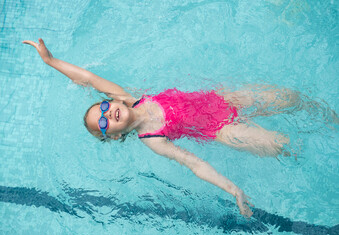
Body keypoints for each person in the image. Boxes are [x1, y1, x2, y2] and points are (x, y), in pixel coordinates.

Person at [23, 38, 335, 218]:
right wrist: (234, 190)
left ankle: (331, 120)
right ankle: (311, 155)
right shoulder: (152, 139)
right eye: (102, 124)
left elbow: (87, 79)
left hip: (225, 99)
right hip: (221, 131)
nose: (107, 113)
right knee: (279, 145)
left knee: (290, 98)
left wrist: (51, 61)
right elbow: (195, 164)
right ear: (114, 136)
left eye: (103, 108)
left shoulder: (128, 98)